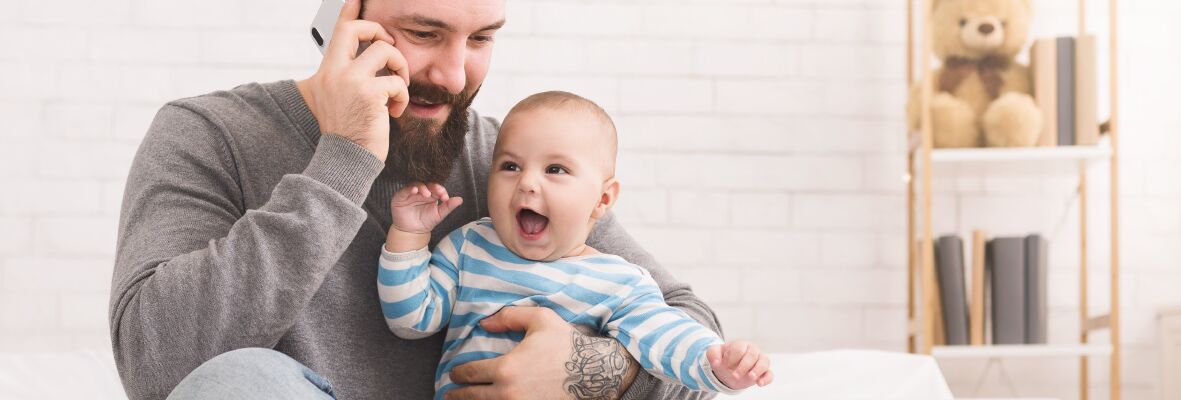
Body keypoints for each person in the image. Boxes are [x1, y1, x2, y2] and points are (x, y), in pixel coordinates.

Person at [108, 0, 726, 398]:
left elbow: (693, 333)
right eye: (424, 33)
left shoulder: (513, 167)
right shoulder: (210, 135)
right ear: (343, 20)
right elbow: (155, 368)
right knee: (242, 383)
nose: (455, 76)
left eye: (481, 38)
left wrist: (587, 372)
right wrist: (345, 158)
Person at [379, 91, 774, 399]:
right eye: (510, 166)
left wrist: (718, 363)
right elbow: (412, 319)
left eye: (555, 169)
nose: (527, 183)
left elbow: (666, 339)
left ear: (602, 200)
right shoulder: (470, 247)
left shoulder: (619, 283)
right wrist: (409, 236)